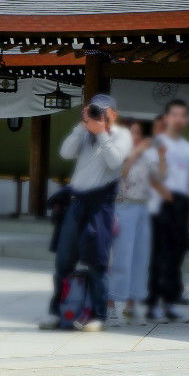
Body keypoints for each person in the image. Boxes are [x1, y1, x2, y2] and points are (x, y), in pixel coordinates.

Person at [42, 94, 130, 332]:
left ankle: (98, 315)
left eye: (103, 111)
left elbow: (115, 162)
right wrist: (82, 127)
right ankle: (56, 312)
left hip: (100, 205)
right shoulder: (83, 131)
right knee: (63, 260)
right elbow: (65, 153)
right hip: (76, 202)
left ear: (114, 114)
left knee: (97, 262)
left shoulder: (122, 135)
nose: (97, 115)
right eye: (94, 111)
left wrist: (101, 132)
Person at [146, 99, 189, 321]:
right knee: (158, 256)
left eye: (182, 115)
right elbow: (150, 176)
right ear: (166, 118)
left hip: (182, 204)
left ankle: (169, 302)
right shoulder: (155, 143)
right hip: (161, 205)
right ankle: (152, 302)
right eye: (174, 114)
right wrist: (167, 196)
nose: (178, 119)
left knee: (176, 255)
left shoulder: (188, 148)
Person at [110, 119, 163, 323]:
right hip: (123, 205)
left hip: (143, 207)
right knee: (119, 257)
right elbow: (119, 174)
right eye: (133, 132)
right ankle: (111, 303)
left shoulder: (148, 156)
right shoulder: (121, 152)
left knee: (139, 257)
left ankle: (131, 304)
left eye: (139, 133)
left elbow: (158, 179)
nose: (136, 137)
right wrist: (135, 153)